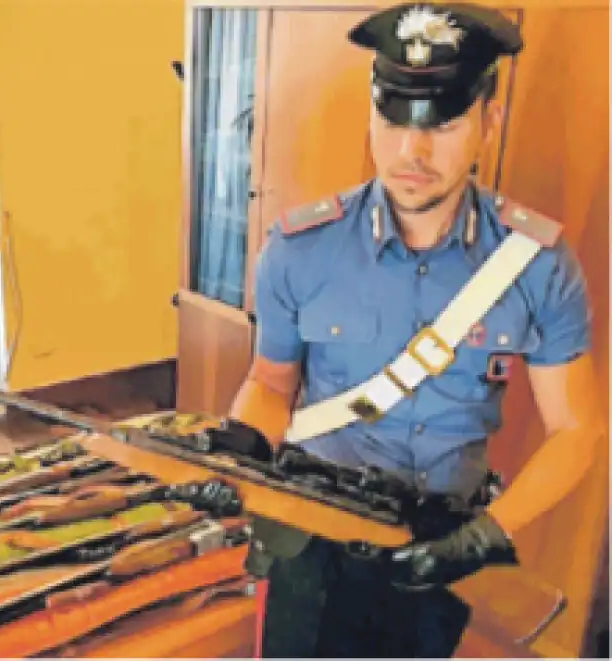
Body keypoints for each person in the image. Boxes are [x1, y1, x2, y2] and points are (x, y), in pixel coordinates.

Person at [221, 2, 605, 657]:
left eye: (444, 121)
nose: (412, 150)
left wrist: (484, 536)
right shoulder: (298, 250)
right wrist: (240, 452)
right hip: (314, 538)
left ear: (489, 121)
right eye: (393, 117)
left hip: (443, 549)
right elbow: (269, 383)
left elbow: (578, 431)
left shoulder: (537, 266)